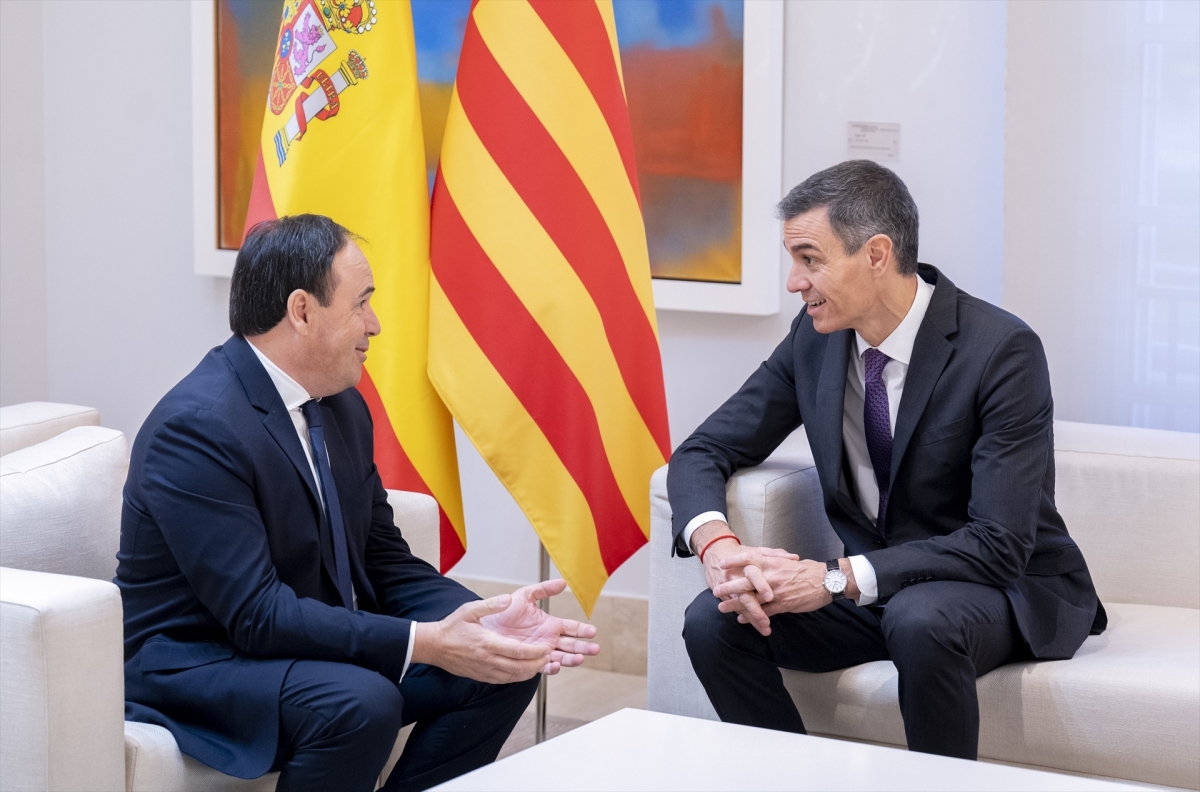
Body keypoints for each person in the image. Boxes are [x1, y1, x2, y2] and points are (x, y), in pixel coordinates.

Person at [116, 214, 600, 792]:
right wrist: (426, 642)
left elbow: (382, 559)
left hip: (296, 643)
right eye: (361, 303)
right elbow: (256, 615)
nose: (375, 324)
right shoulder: (197, 428)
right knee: (359, 702)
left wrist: (484, 622)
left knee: (503, 664)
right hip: (201, 662)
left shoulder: (340, 404)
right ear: (301, 311)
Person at [669, 160, 1106, 760]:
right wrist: (719, 548)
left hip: (1001, 585)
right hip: (875, 589)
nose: (794, 282)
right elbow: (704, 449)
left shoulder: (1001, 350)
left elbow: (1001, 542)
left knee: (920, 619)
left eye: (810, 259)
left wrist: (834, 578)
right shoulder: (814, 339)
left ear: (876, 253)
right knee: (712, 621)